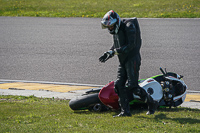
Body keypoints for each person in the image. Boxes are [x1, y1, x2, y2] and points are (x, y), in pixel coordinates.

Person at [99, 10, 158, 117]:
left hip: (133, 59)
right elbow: (117, 43)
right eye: (108, 26)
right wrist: (109, 53)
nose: (109, 28)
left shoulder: (129, 26)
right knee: (118, 85)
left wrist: (114, 51)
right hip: (123, 60)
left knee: (133, 86)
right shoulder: (117, 30)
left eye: (111, 26)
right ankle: (125, 112)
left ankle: (152, 103)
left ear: (116, 22)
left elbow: (131, 45)